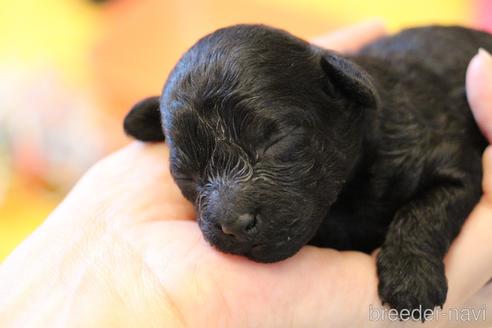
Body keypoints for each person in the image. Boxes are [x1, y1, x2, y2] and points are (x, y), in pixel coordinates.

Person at [0, 21, 491, 327]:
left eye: (277, 144)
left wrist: (414, 246)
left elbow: (455, 174)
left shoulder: (406, 130)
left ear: (344, 95)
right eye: (193, 172)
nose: (227, 214)